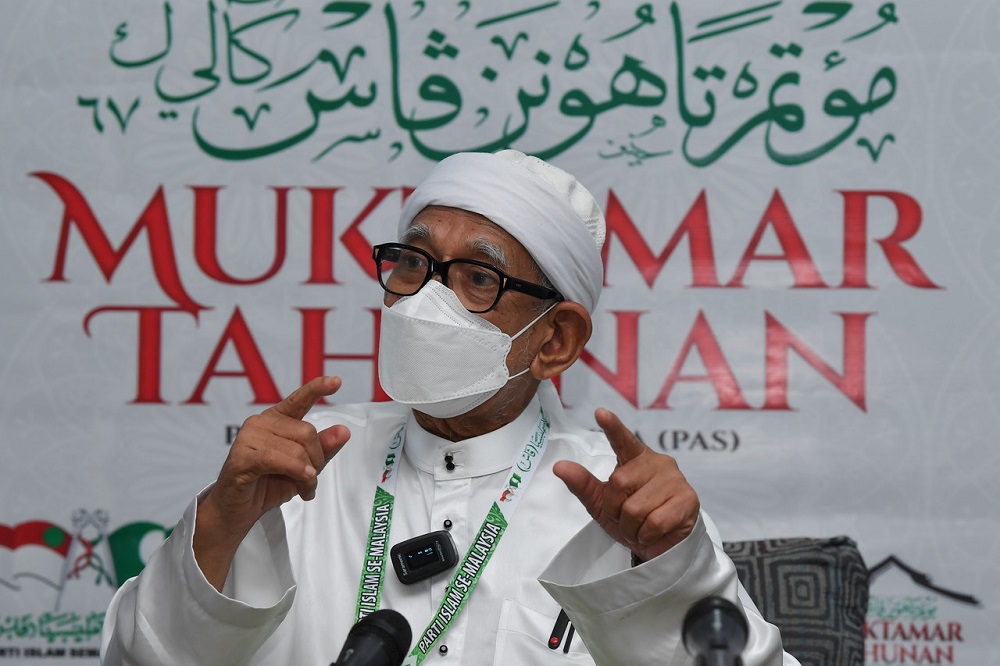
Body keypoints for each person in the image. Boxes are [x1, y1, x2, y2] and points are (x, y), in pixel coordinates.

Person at [101, 150, 798, 665]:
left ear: (555, 340)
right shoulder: (298, 471)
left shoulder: (623, 505)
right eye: (414, 263)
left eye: (477, 278)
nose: (424, 299)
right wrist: (219, 524)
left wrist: (667, 572)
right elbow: (139, 658)